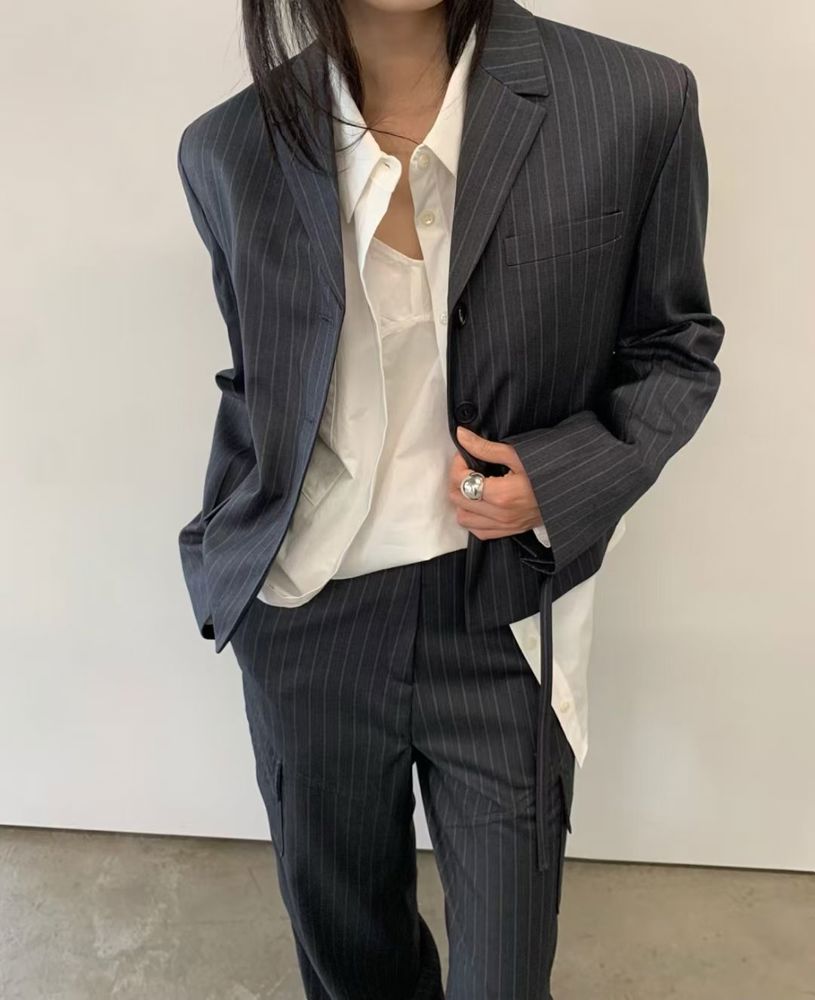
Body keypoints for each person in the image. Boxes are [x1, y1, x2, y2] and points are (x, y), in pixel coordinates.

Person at [175, 0, 724, 995]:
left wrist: (558, 477)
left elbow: (673, 348)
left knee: (501, 973)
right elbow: (260, 375)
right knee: (351, 961)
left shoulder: (632, 101)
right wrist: (226, 548)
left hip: (501, 618)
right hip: (306, 621)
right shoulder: (227, 148)